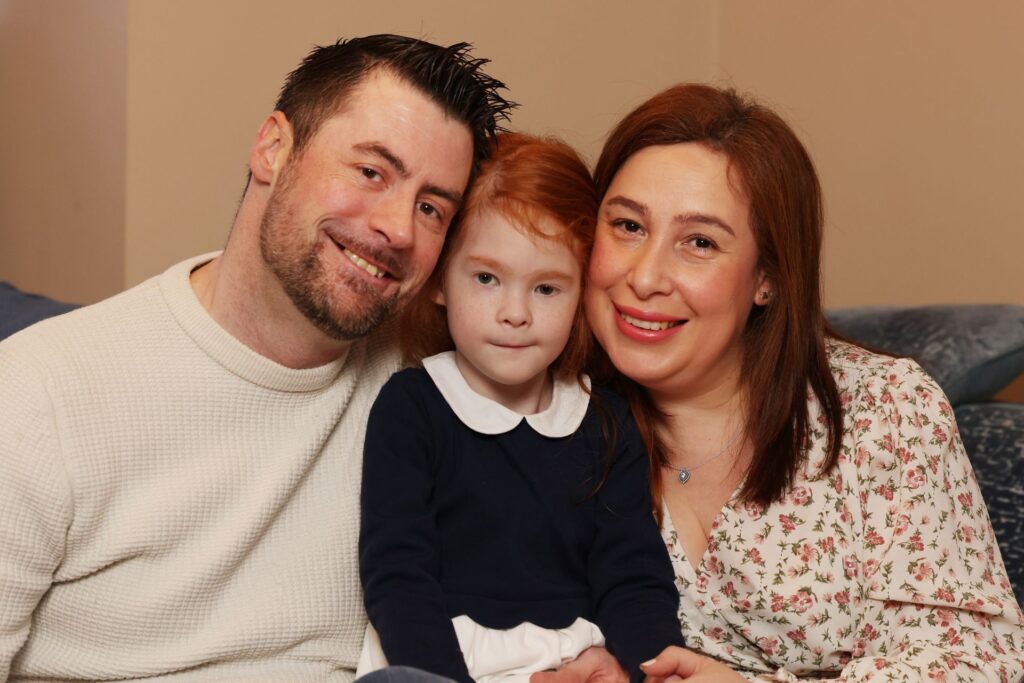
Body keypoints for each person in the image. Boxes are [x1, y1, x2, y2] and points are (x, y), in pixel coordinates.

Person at [0, 35, 514, 682]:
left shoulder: (432, 390)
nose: (399, 229)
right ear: (274, 147)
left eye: (432, 207)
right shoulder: (41, 392)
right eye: (371, 172)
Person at [574, 83, 1024, 681]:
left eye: (700, 242)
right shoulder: (544, 417)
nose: (646, 276)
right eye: (628, 226)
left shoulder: (885, 409)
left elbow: (978, 663)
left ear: (767, 278)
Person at [357, 132, 683, 683]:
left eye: (547, 289)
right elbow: (399, 575)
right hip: (438, 662)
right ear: (440, 281)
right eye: (487, 279)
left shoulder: (603, 420)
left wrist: (651, 672)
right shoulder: (413, 407)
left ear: (582, 292)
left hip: (572, 663)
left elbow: (633, 578)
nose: (515, 313)